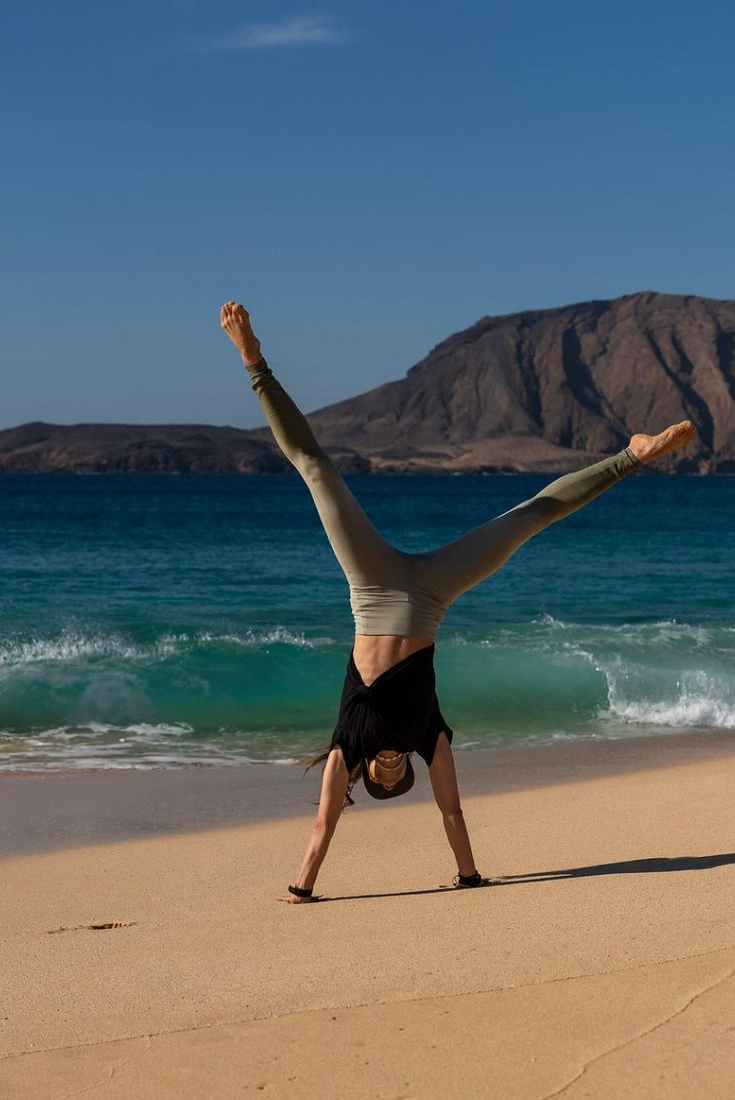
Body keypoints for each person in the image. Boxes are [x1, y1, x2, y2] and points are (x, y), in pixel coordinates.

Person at [219, 302, 695, 903]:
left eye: (382, 777)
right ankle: (634, 456)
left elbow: (321, 828)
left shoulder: (349, 745)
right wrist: (469, 876)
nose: (389, 770)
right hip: (430, 596)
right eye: (398, 776)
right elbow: (452, 815)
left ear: (368, 774)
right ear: (406, 772)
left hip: (371, 589)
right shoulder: (430, 737)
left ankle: (254, 362)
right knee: (528, 519)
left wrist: (304, 887)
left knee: (314, 469)